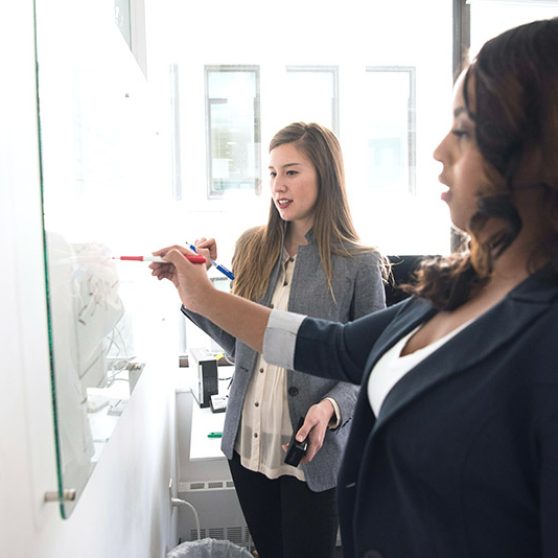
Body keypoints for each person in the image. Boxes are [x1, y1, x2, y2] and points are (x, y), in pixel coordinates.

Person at [151, 18, 558, 557]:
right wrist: (199, 296)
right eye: (272, 173)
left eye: (463, 128)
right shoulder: (452, 293)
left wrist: (329, 410)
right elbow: (333, 347)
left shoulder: (538, 337)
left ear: (537, 146)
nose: (438, 151)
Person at [173, 122, 386, 558]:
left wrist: (331, 409)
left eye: (291, 172)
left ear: (324, 175)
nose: (278, 186)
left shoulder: (359, 264)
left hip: (313, 452)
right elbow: (241, 347)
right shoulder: (253, 246)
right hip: (248, 442)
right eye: (271, 173)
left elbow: (371, 366)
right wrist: (192, 290)